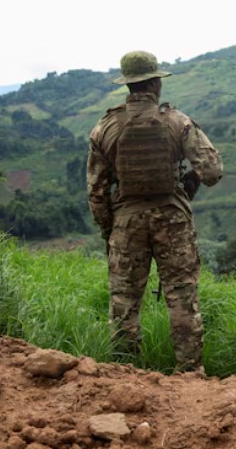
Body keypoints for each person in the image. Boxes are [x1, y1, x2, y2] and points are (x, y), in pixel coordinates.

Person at [86, 50, 223, 373]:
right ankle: (190, 374)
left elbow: (96, 191)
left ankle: (124, 376)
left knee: (124, 305)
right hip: (173, 220)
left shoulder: (104, 127)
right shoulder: (177, 121)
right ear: (155, 84)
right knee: (182, 299)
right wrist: (188, 182)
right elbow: (213, 171)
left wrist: (110, 229)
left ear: (129, 86)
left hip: (126, 224)